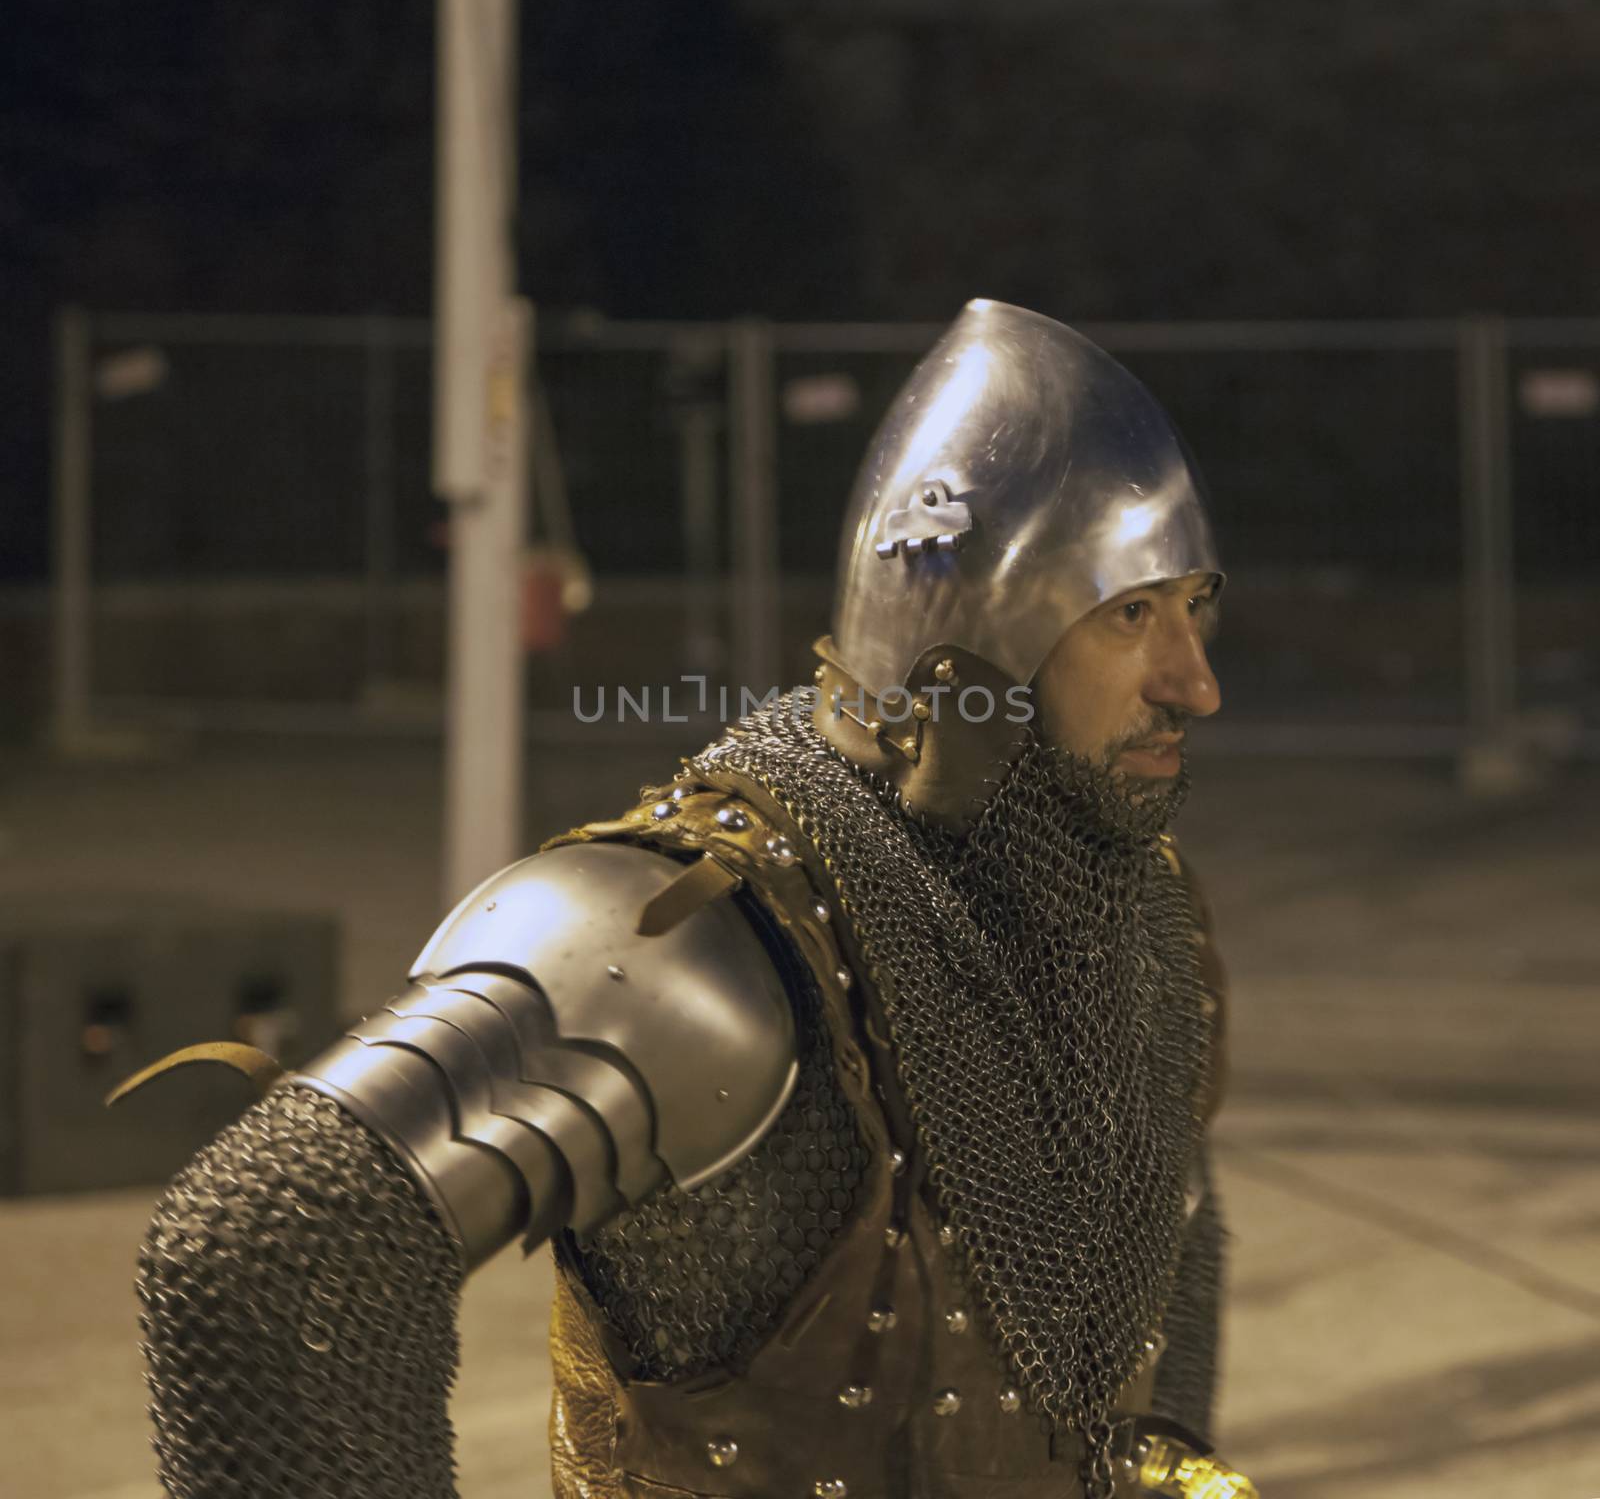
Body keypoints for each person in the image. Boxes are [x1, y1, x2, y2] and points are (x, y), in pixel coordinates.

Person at [135, 299, 1255, 1498]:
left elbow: (1154, 1209)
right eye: (1132, 614)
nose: (1196, 681)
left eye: (1194, 605)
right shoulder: (680, 940)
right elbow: (268, 1252)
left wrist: (1161, 1451)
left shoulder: (1125, 904)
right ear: (965, 648)